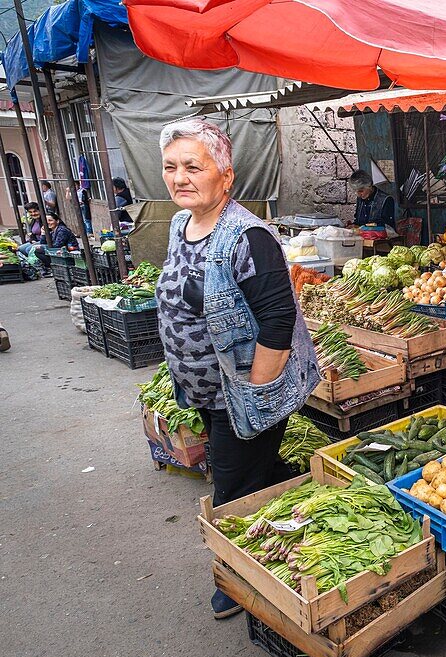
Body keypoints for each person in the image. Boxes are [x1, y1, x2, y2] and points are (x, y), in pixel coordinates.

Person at [155, 118, 320, 619]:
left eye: (193, 167)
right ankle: (292, 516)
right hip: (205, 390)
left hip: (243, 393)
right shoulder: (179, 226)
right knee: (252, 472)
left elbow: (277, 320)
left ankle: (236, 575)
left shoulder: (249, 237)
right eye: (170, 167)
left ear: (225, 176)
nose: (180, 177)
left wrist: (257, 391)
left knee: (229, 489)